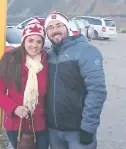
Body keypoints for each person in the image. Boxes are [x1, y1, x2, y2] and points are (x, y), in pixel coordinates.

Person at [44, 11, 107, 149]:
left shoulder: (86, 51)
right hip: (54, 131)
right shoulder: (48, 56)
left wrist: (88, 127)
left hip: (77, 132)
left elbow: (97, 91)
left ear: (67, 27)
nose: (55, 30)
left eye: (58, 25)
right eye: (50, 27)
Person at [0, 19, 49, 149]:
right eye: (30, 40)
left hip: (41, 125)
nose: (35, 45)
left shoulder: (47, 60)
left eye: (39, 41)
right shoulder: (10, 58)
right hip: (15, 124)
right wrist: (14, 108)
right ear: (24, 40)